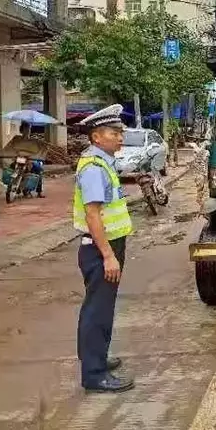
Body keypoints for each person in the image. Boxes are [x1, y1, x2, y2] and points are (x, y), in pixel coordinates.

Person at [73, 104, 135, 393]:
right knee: (97, 311)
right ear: (97, 137)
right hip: (101, 249)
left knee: (101, 308)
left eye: (120, 132)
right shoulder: (95, 168)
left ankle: (97, 358)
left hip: (106, 246)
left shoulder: (103, 163)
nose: (120, 138)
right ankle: (94, 374)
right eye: (114, 133)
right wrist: (109, 256)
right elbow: (93, 214)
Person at [0, 121, 46, 198]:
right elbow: (9, 147)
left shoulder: (33, 141)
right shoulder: (16, 138)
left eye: (29, 129)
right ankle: (13, 185)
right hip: (18, 159)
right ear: (22, 130)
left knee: (39, 170)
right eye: (26, 129)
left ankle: (39, 192)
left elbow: (38, 151)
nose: (28, 131)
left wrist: (38, 156)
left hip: (30, 160)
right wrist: (3, 153)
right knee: (10, 169)